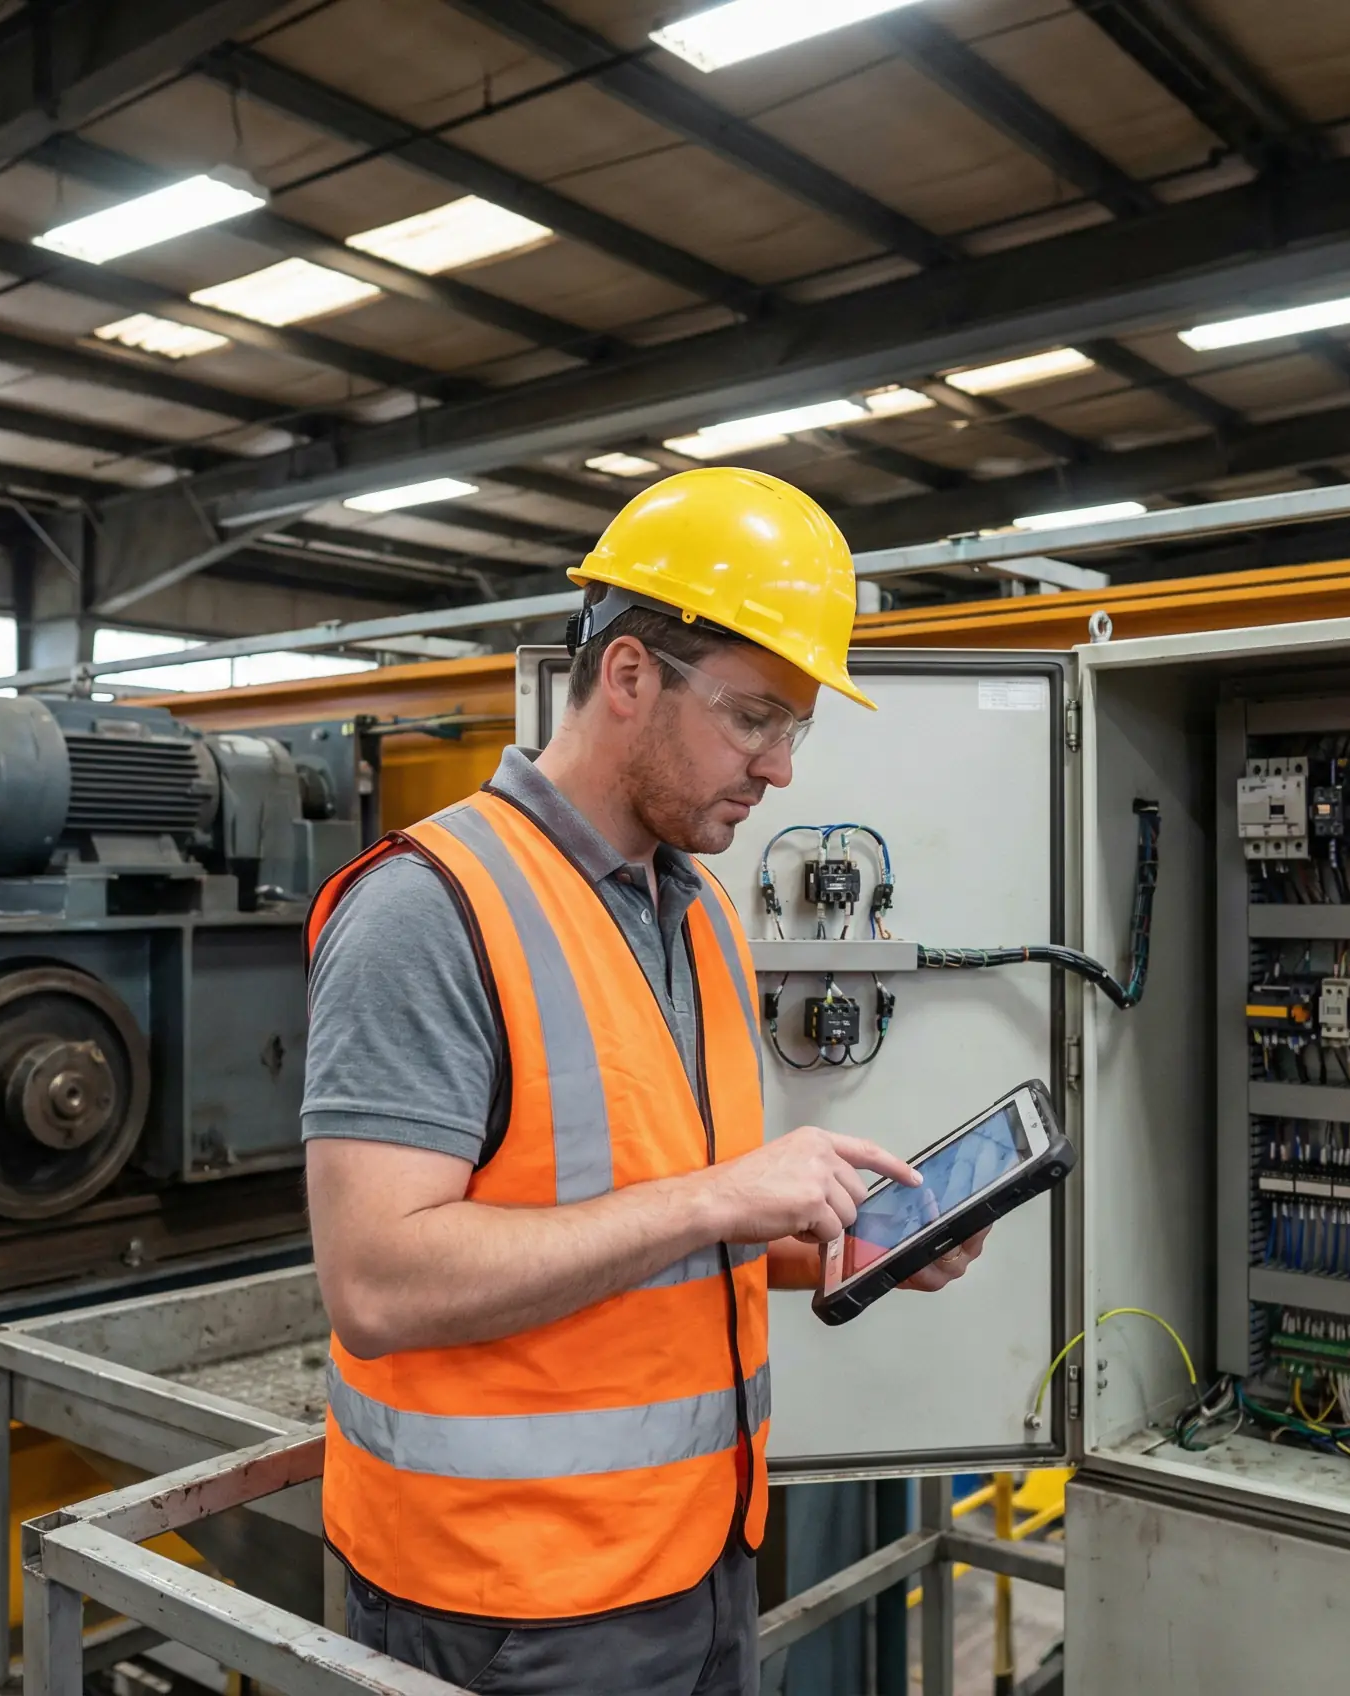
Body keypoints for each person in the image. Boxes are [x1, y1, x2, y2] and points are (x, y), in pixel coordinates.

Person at [300, 465, 988, 1695]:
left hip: (698, 1561)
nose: (779, 769)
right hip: (506, 1610)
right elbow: (376, 1284)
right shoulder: (427, 908)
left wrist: (840, 1245)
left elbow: (647, 1229)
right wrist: (724, 1199)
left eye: (795, 727)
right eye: (753, 717)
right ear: (627, 677)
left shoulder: (699, 914)